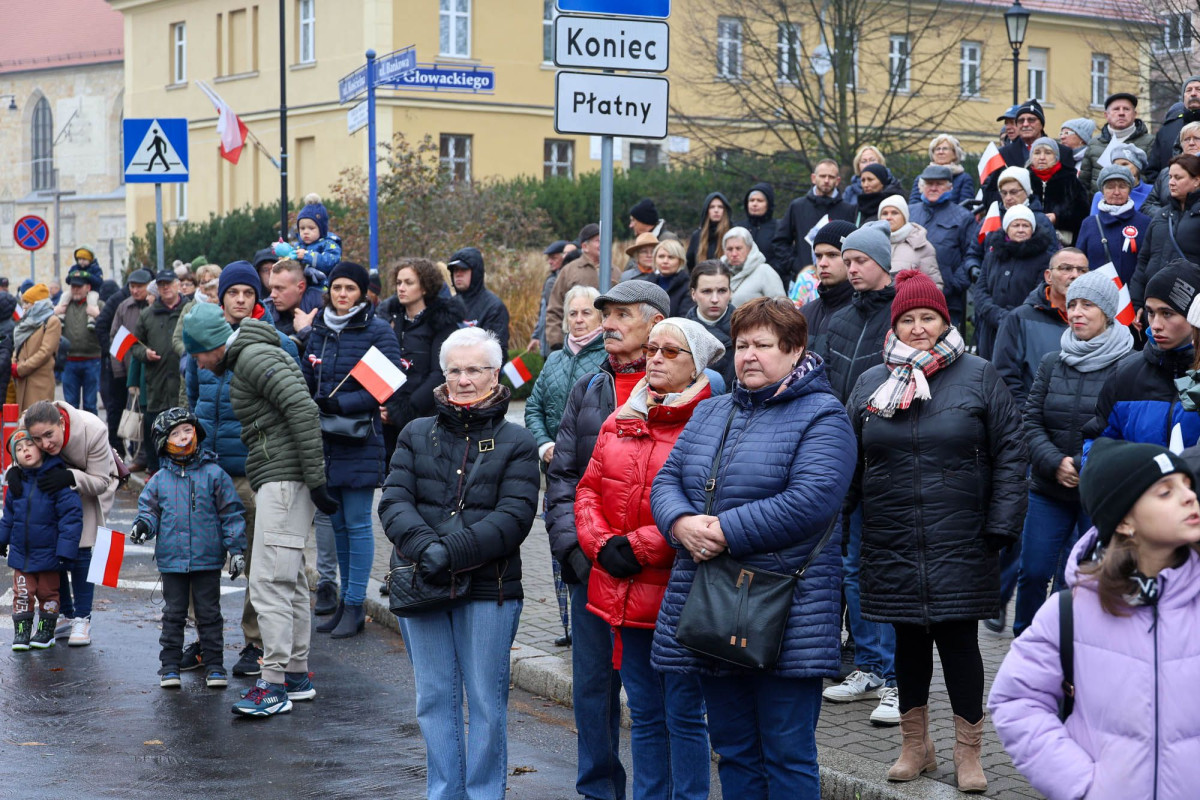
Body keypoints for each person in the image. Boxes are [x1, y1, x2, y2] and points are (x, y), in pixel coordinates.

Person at [651, 297, 854, 797]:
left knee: (787, 754)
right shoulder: (712, 410)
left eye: (763, 345)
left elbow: (812, 500)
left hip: (786, 612)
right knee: (735, 748)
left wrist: (719, 530)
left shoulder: (824, 415)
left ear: (795, 350)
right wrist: (679, 523)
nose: (749, 356)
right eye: (742, 345)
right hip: (713, 606)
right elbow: (667, 481)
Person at [847, 270, 1027, 793]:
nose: (919, 328)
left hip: (963, 537)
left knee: (959, 644)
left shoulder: (979, 374)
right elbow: (850, 464)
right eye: (908, 319)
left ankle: (969, 753)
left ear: (945, 321)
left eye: (928, 318)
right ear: (894, 324)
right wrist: (837, 528)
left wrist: (1001, 526)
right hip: (892, 537)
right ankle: (915, 746)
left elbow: (1011, 454)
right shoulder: (869, 382)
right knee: (907, 644)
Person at [990, 438, 1200, 800]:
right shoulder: (1069, 612)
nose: (1189, 497)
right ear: (1124, 522)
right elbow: (1016, 702)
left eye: (1188, 486)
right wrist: (1082, 785)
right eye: (1165, 492)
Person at [379, 326, 537, 800]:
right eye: (455, 370)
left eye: (475, 370)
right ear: (443, 374)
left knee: (487, 703)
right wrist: (427, 548)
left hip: (490, 588)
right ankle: (444, 793)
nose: (464, 379)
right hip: (420, 581)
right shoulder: (414, 431)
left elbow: (514, 517)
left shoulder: (518, 440)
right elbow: (393, 502)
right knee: (434, 701)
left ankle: (486, 794)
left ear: (495, 374)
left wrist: (448, 553)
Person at [575, 317, 722, 800]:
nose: (655, 359)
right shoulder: (620, 419)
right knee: (643, 712)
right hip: (619, 587)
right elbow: (588, 490)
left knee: (683, 713)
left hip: (675, 591)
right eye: (653, 349)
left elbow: (704, 507)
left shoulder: (712, 422)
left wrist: (636, 547)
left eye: (670, 352)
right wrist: (600, 544)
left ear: (696, 363)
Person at [182, 301, 338, 717]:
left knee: (268, 581)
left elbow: (303, 410)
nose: (197, 362)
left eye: (197, 353)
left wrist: (317, 479)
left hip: (284, 480)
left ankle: (273, 685)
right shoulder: (250, 355)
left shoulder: (252, 358)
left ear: (212, 345)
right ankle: (297, 676)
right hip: (284, 476)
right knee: (289, 580)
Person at [546, 280, 671, 800]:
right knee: (593, 691)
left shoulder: (686, 387)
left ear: (656, 324)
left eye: (622, 314)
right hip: (590, 569)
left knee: (654, 699)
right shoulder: (590, 388)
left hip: (656, 574)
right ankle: (598, 790)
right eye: (607, 314)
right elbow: (565, 478)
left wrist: (645, 548)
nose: (608, 323)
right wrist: (573, 549)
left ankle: (655, 792)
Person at [186, 260, 299, 676]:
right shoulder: (202, 340)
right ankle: (206, 639)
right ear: (221, 298)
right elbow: (192, 399)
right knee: (199, 556)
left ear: (257, 298)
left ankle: (255, 642)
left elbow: (292, 403)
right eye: (232, 293)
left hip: (253, 470)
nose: (239, 299)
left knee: (258, 561)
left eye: (247, 293)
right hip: (206, 468)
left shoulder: (275, 342)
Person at [1012, 270, 1133, 639]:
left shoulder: (1128, 365)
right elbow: (1030, 420)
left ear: (1108, 313)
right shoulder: (1053, 361)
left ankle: (1064, 650)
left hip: (1095, 494)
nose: (1077, 312)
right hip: (1049, 487)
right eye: (1073, 304)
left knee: (1075, 578)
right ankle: (1026, 641)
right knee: (1032, 572)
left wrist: (1082, 465)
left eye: (1088, 305)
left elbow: (1124, 430)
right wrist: (1053, 462)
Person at [302, 262, 403, 639]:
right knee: (338, 525)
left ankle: (356, 604)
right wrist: (312, 398)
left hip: (359, 439)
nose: (342, 294)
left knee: (358, 525)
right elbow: (307, 372)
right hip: (324, 440)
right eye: (337, 288)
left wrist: (341, 404)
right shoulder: (320, 329)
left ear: (362, 293)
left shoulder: (376, 330)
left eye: (350, 288)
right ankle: (345, 602)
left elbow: (388, 383)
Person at [128, 409, 246, 689]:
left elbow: (231, 513)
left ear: (197, 432)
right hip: (172, 560)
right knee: (173, 614)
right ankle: (169, 666)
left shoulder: (215, 474)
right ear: (162, 441)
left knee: (209, 614)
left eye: (187, 430)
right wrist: (143, 526)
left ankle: (215, 665)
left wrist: (237, 549)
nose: (182, 438)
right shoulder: (158, 480)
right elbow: (148, 511)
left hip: (207, 558)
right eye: (175, 433)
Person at [525, 284, 606, 644]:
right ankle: (568, 628)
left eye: (586, 312)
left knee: (586, 550)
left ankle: (590, 625)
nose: (577, 319)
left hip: (591, 473)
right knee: (560, 548)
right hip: (555, 472)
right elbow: (533, 408)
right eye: (572, 313)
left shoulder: (606, 357)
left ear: (600, 317)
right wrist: (543, 444)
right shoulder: (555, 359)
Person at [17, 400, 119, 648]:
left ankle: (83, 618)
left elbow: (101, 481)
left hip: (88, 489)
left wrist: (70, 476)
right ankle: (66, 614)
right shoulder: (27, 424)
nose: (45, 444)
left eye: (49, 435)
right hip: (48, 493)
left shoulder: (93, 430)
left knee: (82, 549)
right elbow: (18, 453)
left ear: (61, 423)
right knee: (54, 551)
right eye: (38, 439)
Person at [1087, 260, 1200, 453]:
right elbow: (1097, 444)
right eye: (1150, 312)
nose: (1155, 324)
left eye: (1167, 313)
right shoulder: (1124, 374)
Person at [378, 257, 468, 466]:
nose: (401, 288)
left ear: (425, 287)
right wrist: (384, 407)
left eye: (409, 283)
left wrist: (404, 410)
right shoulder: (386, 321)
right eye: (399, 282)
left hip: (426, 417)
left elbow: (439, 374)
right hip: (387, 417)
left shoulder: (442, 323)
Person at [0, 428, 82, 651]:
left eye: (28, 445)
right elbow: (8, 516)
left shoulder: (56, 480)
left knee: (48, 594)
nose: (24, 450)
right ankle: (22, 633)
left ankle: (46, 631)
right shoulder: (16, 484)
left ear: (41, 448)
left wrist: (66, 550)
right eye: (18, 449)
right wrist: (2, 539)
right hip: (22, 553)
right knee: (22, 593)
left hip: (48, 553)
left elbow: (71, 517)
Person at [994, 248, 1089, 409]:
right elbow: (1005, 378)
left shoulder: (1097, 321)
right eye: (1066, 268)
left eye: (1082, 270)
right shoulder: (1019, 319)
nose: (1075, 275)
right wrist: (1030, 421)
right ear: (1048, 276)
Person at [821, 222, 897, 403]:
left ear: (881, 262)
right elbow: (825, 380)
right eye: (847, 263)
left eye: (861, 261)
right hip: (839, 425)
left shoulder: (903, 317)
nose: (852, 269)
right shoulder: (838, 320)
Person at [972, 205, 1058, 360]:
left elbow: (1039, 293)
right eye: (1015, 225)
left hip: (1024, 329)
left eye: (1025, 225)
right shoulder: (992, 255)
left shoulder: (1044, 259)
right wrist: (997, 315)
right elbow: (980, 290)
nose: (1020, 229)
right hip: (990, 328)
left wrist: (1012, 318)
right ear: (1006, 228)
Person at [131, 270, 184, 475]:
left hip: (181, 379)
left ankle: (181, 466)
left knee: (182, 423)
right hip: (156, 380)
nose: (165, 288)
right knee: (154, 425)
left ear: (177, 284)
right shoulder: (147, 314)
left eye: (169, 283)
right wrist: (144, 353)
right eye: (161, 285)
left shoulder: (188, 310)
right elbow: (134, 345)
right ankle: (155, 470)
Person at [909, 165, 977, 328]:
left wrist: (954, 283)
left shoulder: (963, 217)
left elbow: (971, 253)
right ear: (921, 186)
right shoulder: (909, 212)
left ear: (950, 187)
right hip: (909, 295)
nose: (933, 188)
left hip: (947, 299)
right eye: (929, 183)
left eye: (939, 184)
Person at [1132, 154, 1200, 310]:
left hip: (1191, 307)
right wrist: (1137, 302)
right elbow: (1143, 260)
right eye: (1170, 177)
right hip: (1155, 304)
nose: (1171, 182)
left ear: (1197, 180)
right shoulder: (1160, 216)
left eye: (1178, 177)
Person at [772, 159, 857, 285]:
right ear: (813, 178)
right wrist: (797, 266)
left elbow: (852, 245)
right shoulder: (797, 206)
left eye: (831, 177)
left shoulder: (848, 209)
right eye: (822, 176)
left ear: (838, 180)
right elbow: (780, 242)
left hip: (839, 281)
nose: (826, 180)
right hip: (803, 280)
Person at [1076, 165, 1151, 287]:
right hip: (1097, 297)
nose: (1116, 192)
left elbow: (1148, 265)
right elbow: (1079, 264)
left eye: (1122, 186)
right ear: (1102, 191)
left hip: (1133, 299)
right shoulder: (1089, 224)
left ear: (1130, 190)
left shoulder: (1145, 223)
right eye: (1110, 187)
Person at [107, 269, 152, 464]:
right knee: (134, 414)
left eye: (139, 287)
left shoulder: (154, 305)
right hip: (131, 370)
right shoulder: (124, 307)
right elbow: (115, 338)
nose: (135, 290)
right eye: (132, 287)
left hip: (153, 369)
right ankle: (137, 455)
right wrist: (119, 370)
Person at [799, 220, 856, 356]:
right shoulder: (804, 314)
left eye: (832, 255)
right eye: (818, 256)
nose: (823, 263)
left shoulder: (865, 312)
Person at [1078, 92, 1156, 191]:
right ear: (1106, 115)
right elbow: (1084, 183)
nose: (1121, 113)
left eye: (1126, 109)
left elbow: (1154, 180)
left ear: (1135, 114)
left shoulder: (1151, 142)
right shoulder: (1094, 143)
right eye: (1116, 109)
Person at [546, 223, 602, 351]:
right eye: (598, 241)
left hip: (607, 345)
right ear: (585, 246)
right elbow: (554, 308)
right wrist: (556, 343)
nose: (603, 244)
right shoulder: (569, 271)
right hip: (573, 346)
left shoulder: (614, 271)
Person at [55, 267, 102, 414]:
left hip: (92, 360)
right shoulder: (63, 306)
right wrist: (54, 313)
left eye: (79, 286)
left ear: (88, 288)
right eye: (73, 286)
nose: (75, 290)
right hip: (69, 361)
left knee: (90, 405)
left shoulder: (97, 305)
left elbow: (108, 327)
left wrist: (98, 316)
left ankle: (90, 436)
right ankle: (72, 436)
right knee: (70, 407)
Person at [447, 247, 509, 355]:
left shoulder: (493, 307)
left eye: (463, 269)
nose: (458, 274)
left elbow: (497, 353)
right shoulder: (448, 305)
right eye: (455, 270)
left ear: (476, 272)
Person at [1028, 138, 1090, 245]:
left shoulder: (1070, 180)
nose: (1042, 158)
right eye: (1037, 153)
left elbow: (1083, 213)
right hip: (1028, 240)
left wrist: (1058, 218)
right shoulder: (1024, 179)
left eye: (1048, 153)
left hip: (1063, 243)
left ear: (1056, 157)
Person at [11, 284, 61, 412]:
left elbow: (45, 352)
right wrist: (14, 362)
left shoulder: (52, 321)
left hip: (40, 383)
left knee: (39, 423)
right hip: (23, 383)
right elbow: (18, 346)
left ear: (38, 304)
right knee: (23, 424)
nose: (24, 307)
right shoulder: (26, 322)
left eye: (28, 303)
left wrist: (21, 368)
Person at [686, 260, 737, 387]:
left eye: (722, 291)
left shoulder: (747, 329)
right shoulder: (680, 333)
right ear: (693, 294)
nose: (715, 299)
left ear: (730, 292)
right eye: (706, 291)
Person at [877, 196, 942, 287]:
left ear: (904, 217)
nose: (889, 217)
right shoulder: (872, 244)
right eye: (884, 213)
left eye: (894, 213)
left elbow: (934, 286)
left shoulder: (920, 244)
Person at [265, 258, 325, 355]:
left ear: (300, 287)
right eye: (271, 288)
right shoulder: (267, 312)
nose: (273, 295)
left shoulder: (326, 313)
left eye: (279, 288)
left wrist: (305, 331)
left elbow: (326, 356)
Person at [1141, 124, 1200, 218]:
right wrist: (1168, 216)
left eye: (1197, 138)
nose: (1191, 143)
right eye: (1187, 139)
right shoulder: (1166, 172)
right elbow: (1148, 205)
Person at [278, 193, 342, 279]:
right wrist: (285, 261)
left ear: (322, 229)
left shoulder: (329, 244)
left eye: (311, 228)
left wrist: (307, 256)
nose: (306, 232)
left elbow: (330, 262)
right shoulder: (298, 246)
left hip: (322, 287)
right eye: (302, 228)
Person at [1147, 74, 1200, 177]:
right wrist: (1163, 189)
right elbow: (1152, 170)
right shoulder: (1167, 129)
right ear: (1183, 97)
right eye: (1188, 90)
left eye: (1198, 89)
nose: (1193, 93)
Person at [721, 226, 785, 307]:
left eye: (738, 248)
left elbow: (782, 308)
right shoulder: (720, 273)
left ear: (750, 248)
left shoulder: (765, 271)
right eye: (730, 249)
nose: (734, 254)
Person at [907, 134, 975, 205]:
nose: (940, 152)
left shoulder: (964, 179)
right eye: (937, 149)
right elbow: (914, 205)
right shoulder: (921, 178)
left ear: (955, 154)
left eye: (945, 149)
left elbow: (966, 207)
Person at [528, 240, 567, 356]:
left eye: (554, 258)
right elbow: (544, 310)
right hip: (547, 342)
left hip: (559, 342)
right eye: (549, 259)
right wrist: (536, 336)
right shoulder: (550, 279)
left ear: (564, 257)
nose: (550, 262)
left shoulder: (565, 280)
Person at [637, 239, 694, 317]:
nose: (665, 261)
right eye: (661, 256)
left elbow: (684, 318)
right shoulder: (647, 283)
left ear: (680, 260)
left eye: (671, 257)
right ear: (655, 259)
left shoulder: (688, 287)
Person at [685, 192, 733, 269]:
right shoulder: (697, 236)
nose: (716, 210)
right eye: (712, 207)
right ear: (707, 210)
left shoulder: (733, 234)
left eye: (720, 207)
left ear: (725, 210)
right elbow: (690, 264)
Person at [735, 182, 777, 258]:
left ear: (768, 204)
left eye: (760, 200)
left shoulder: (778, 228)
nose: (754, 204)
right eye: (751, 200)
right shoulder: (739, 228)